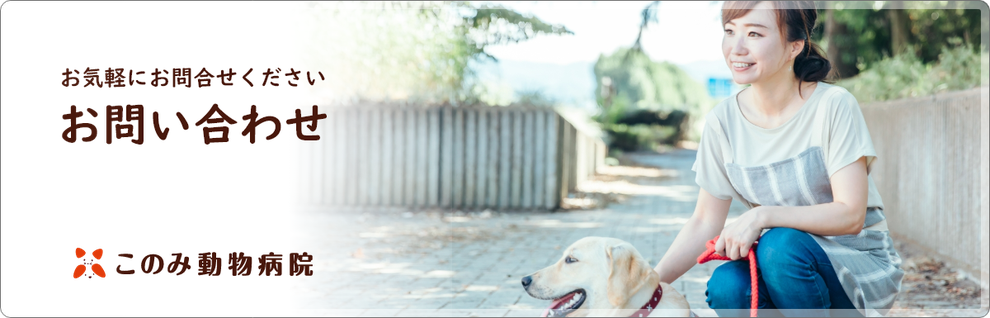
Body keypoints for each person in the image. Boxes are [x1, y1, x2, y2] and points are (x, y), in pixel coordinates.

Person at [652, 1, 904, 317]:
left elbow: (850, 214)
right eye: (730, 32)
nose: (737, 48)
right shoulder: (722, 122)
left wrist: (761, 217)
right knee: (728, 284)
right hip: (784, 268)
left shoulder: (832, 106)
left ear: (794, 46)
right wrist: (648, 286)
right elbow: (704, 221)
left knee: (779, 246)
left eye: (755, 33)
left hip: (857, 265)